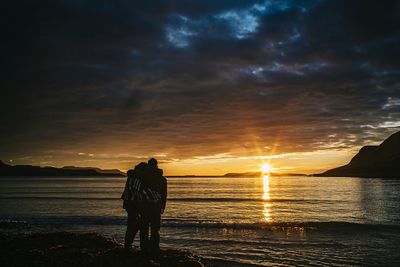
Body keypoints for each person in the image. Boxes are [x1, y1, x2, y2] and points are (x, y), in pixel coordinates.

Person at [139, 158, 167, 256]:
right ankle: (154, 247)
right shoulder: (162, 179)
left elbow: (139, 192)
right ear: (157, 165)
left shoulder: (142, 177)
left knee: (144, 228)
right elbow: (164, 195)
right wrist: (163, 207)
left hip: (144, 207)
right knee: (155, 229)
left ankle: (144, 248)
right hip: (156, 206)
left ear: (148, 165)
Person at [121, 162, 149, 250]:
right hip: (133, 204)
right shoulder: (136, 178)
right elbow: (137, 191)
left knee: (132, 224)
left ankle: (128, 244)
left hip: (129, 203)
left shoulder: (131, 176)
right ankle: (128, 245)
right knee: (134, 224)